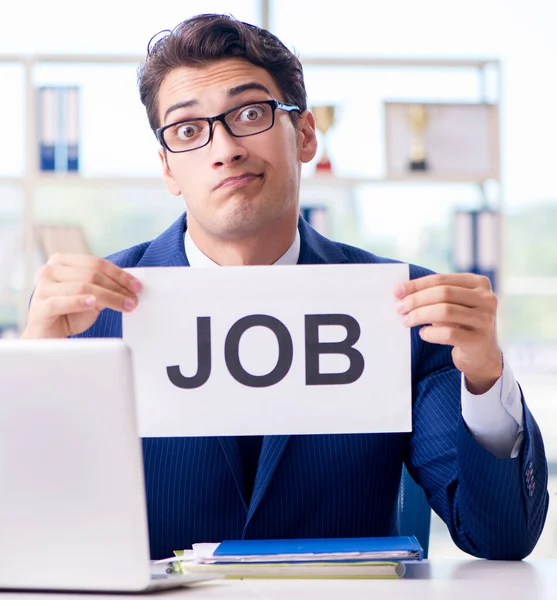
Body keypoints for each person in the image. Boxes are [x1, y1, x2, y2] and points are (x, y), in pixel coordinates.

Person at [22, 13, 548, 560]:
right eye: (187, 130)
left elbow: (501, 537)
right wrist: (34, 374)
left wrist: (485, 376)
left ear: (304, 135)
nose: (223, 148)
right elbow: (31, 532)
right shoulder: (87, 318)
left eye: (250, 113)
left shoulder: (406, 311)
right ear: (168, 169)